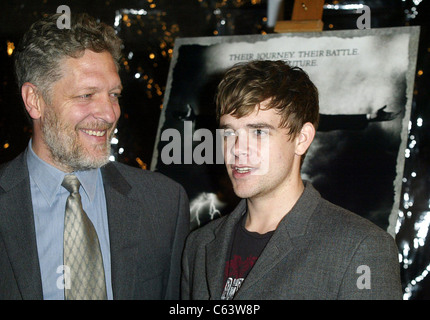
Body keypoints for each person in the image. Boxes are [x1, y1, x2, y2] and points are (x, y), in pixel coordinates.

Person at [0, 13, 189, 300]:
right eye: (87, 95)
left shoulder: (163, 204)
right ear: (34, 101)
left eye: (114, 95)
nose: (109, 114)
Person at [181, 60, 402, 300]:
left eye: (258, 132)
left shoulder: (361, 247)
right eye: (229, 132)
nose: (237, 149)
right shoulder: (199, 245)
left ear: (302, 139)